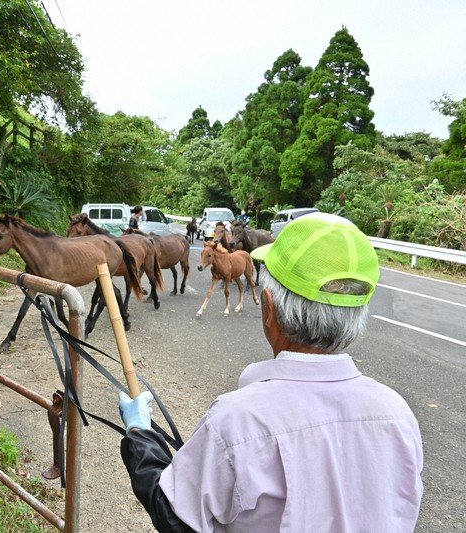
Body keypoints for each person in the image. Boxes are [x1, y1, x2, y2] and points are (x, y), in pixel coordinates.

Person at [119, 212, 423, 532]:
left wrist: (140, 434)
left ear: (269, 307)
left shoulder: (238, 422)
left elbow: (173, 515)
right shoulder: (398, 414)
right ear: (358, 316)